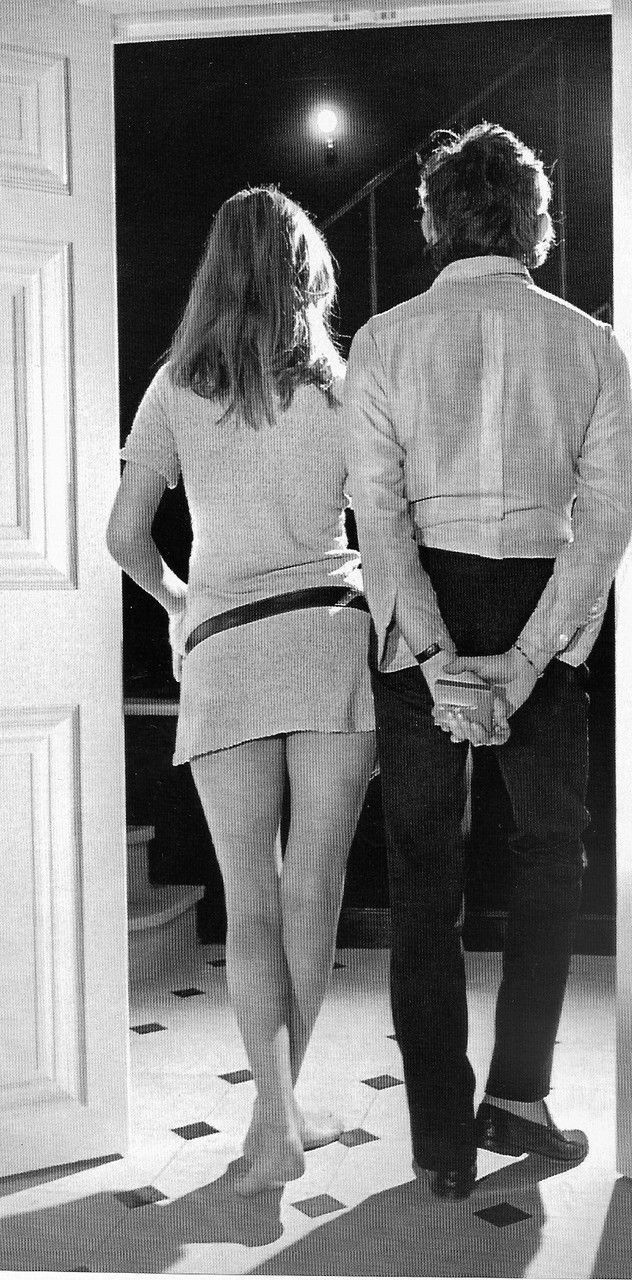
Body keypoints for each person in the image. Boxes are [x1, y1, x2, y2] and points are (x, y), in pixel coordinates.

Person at [345, 124, 632, 1199]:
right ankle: (520, 1100)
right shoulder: (590, 343)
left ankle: (439, 1139)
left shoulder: (382, 339)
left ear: (434, 219)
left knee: (422, 872)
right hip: (540, 614)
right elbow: (606, 521)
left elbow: (378, 519)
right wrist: (520, 663)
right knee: (549, 858)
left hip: (418, 607)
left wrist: (435, 662)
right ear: (535, 222)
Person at [107, 187, 376, 1196]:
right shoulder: (344, 389)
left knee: (249, 900)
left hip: (225, 648)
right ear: (309, 274)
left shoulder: (177, 384)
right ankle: (279, 1114)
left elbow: (125, 535)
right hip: (329, 637)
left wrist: (180, 603)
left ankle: (274, 1114)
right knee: (313, 892)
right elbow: (386, 527)